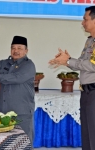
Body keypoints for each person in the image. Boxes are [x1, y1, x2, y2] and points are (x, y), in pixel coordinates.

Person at [49, 6, 95, 150]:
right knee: (87, 134)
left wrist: (69, 61)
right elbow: (81, 64)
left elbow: (93, 66)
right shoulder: (90, 41)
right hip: (87, 93)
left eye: (85, 19)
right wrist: (66, 60)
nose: (82, 23)